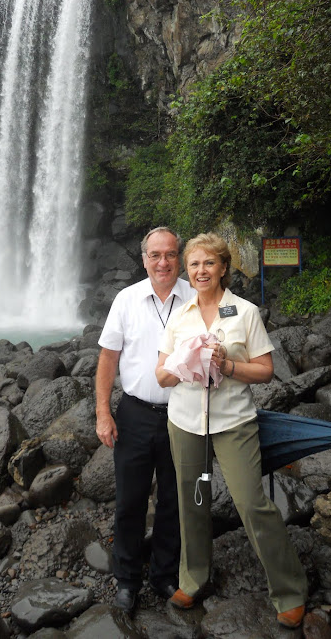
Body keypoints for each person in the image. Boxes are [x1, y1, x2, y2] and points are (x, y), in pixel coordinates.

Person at [155, 232, 308, 629]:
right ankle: (194, 578)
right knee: (193, 502)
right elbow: (161, 376)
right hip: (186, 424)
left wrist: (226, 367)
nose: (201, 270)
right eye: (194, 264)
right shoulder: (179, 313)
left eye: (209, 263)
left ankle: (289, 591)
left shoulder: (245, 312)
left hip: (233, 423)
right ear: (187, 271)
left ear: (223, 268)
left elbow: (266, 370)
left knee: (251, 503)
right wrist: (183, 363)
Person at [95, 227, 196, 615]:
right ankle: (127, 579)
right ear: (144, 260)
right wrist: (103, 412)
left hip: (183, 414)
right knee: (130, 501)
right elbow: (107, 358)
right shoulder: (126, 299)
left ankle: (165, 573)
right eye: (155, 255)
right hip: (135, 413)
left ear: (179, 257)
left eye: (170, 254)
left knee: (174, 500)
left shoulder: (196, 298)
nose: (163, 262)